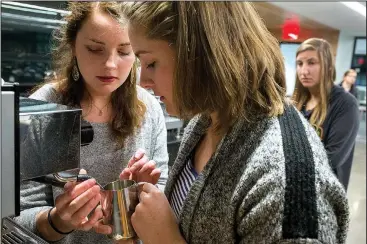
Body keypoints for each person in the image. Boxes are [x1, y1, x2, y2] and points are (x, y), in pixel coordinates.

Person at [116, 2, 350, 244]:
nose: (143, 81)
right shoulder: (204, 121)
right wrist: (151, 212)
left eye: (151, 63)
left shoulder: (286, 186)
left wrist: (164, 238)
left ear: (201, 54)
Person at [14, 2, 168, 244]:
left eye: (125, 52)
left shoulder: (148, 107)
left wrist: (141, 197)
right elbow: (17, 217)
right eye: (95, 49)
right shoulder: (41, 109)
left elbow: (162, 188)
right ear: (74, 46)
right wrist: (58, 221)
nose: (110, 64)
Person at [292, 38, 360, 191]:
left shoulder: (346, 104)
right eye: (300, 63)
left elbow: (332, 158)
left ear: (328, 66)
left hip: (325, 194)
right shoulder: (297, 102)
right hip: (295, 190)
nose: (304, 71)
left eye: (312, 63)